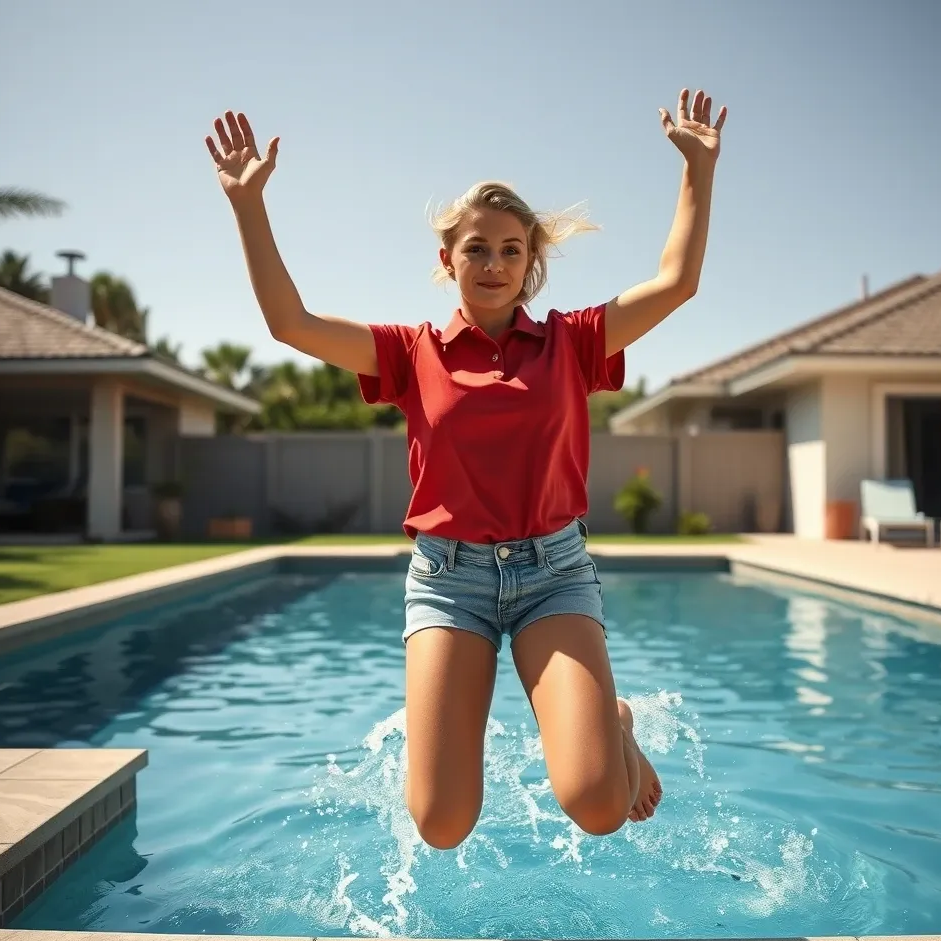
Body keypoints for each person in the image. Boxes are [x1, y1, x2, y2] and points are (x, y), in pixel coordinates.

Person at [205, 88, 726, 850]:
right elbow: (292, 323)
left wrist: (698, 171)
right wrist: (248, 205)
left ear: (530, 265)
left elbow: (676, 282)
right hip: (450, 582)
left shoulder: (571, 343)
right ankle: (600, 716)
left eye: (511, 249)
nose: (493, 263)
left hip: (554, 573)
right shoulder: (409, 353)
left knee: (598, 808)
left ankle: (614, 722)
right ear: (447, 260)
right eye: (476, 247)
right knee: (442, 825)